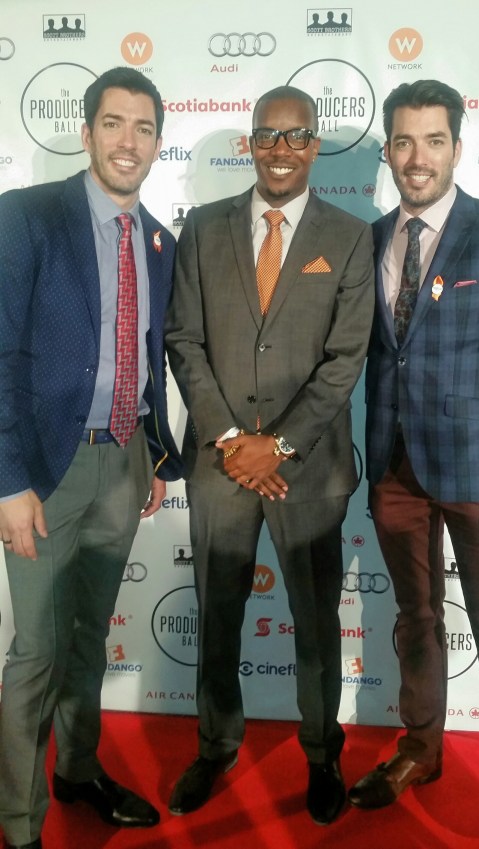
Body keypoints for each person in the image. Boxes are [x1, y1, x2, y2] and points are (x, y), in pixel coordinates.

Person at [165, 84, 374, 826]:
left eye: (295, 136)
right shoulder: (202, 231)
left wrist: (276, 445)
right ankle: (215, 744)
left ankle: (321, 753)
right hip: (222, 467)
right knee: (217, 616)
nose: (280, 150)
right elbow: (184, 342)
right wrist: (229, 440)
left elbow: (345, 359)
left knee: (315, 625)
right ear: (249, 144)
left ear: (315, 146)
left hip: (307, 471)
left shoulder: (351, 237)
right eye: (266, 135)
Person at [0, 66, 182, 849]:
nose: (127, 141)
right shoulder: (26, 216)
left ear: (156, 144)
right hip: (47, 471)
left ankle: (75, 768)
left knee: (86, 635)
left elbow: (149, 354)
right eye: (113, 123)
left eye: (143, 128)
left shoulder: (159, 238)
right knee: (36, 649)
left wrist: (150, 452)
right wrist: (8, 483)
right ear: (85, 131)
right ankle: (19, 825)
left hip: (124, 462)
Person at [347, 79, 479, 849]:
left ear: (456, 146)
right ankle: (419, 749)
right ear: (387, 149)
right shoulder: (369, 237)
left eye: (431, 140)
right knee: (413, 621)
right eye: (402, 141)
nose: (415, 158)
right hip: (394, 471)